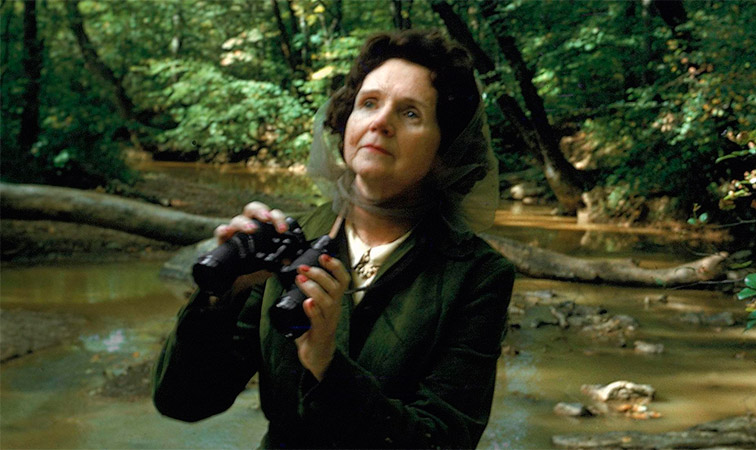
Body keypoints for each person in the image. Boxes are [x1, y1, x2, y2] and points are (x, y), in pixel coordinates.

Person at [152, 28, 515, 449]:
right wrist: (220, 300)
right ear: (346, 122)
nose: (380, 122)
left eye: (410, 113)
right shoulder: (288, 239)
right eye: (369, 104)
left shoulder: (476, 275)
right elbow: (183, 402)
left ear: (444, 148)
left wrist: (327, 366)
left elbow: (444, 439)